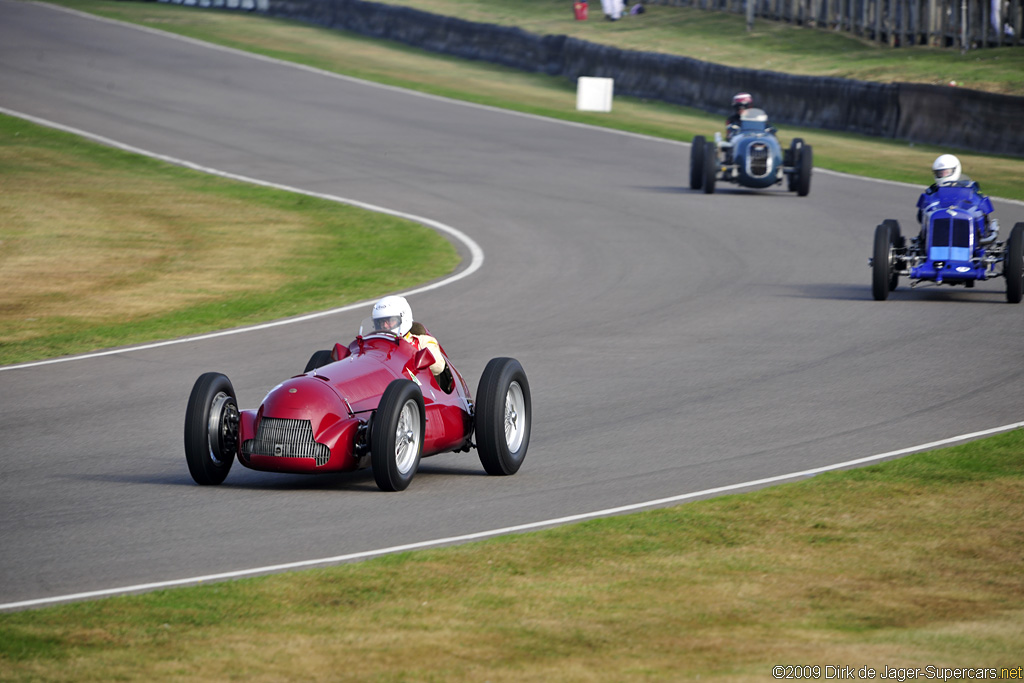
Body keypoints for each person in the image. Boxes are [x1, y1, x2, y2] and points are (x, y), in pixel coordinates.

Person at [371, 295, 453, 391]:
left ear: (403, 318)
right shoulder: (374, 347)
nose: (384, 325)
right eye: (380, 322)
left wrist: (417, 359)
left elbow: (438, 367)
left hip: (423, 394)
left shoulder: (422, 341)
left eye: (390, 321)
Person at [915, 154, 998, 242]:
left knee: (979, 212)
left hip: (966, 218)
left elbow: (983, 207)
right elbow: (920, 217)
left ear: (955, 170)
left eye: (946, 172)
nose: (943, 176)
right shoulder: (932, 191)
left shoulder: (971, 188)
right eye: (939, 173)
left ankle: (981, 236)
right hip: (939, 222)